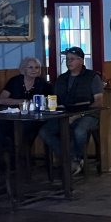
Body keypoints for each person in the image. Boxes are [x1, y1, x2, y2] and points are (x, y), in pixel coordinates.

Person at [39, 46, 103, 177]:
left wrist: (79, 115)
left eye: (72, 59)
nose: (69, 62)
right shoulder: (62, 78)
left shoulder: (92, 77)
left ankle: (75, 159)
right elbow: (56, 99)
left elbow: (99, 101)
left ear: (81, 60)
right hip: (65, 114)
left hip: (88, 114)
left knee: (79, 130)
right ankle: (72, 158)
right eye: (67, 59)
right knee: (45, 131)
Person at [0, 56, 53, 153]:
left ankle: (22, 155)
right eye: (30, 67)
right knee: (0, 130)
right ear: (23, 69)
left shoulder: (42, 83)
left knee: (27, 130)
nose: (34, 70)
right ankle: (12, 155)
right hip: (13, 117)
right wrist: (22, 101)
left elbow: (51, 99)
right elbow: (1, 100)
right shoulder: (14, 81)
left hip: (33, 118)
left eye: (37, 67)